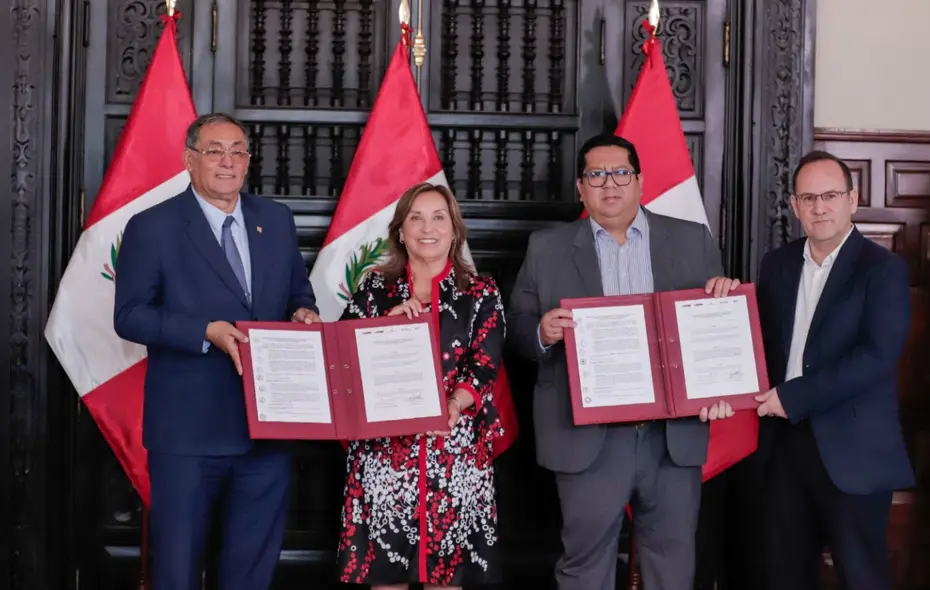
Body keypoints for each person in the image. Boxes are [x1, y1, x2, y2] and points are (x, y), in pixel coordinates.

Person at [507, 133, 739, 590]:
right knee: (584, 568)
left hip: (671, 437)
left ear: (639, 180)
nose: (609, 184)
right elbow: (515, 328)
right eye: (596, 175)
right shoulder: (546, 247)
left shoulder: (693, 240)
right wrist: (541, 332)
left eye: (620, 173)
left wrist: (725, 306)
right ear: (580, 187)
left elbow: (715, 329)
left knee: (672, 569)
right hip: (587, 437)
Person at [113, 113, 319, 590]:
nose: (228, 161)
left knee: (250, 572)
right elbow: (130, 316)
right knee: (177, 571)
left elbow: (297, 295)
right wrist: (206, 331)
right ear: (190, 160)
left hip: (267, 429)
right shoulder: (152, 226)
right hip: (188, 433)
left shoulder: (276, 219)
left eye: (238, 151)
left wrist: (303, 316)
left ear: (248, 161)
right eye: (214, 151)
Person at [753, 150, 914, 590]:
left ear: (852, 199)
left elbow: (877, 357)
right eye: (808, 197)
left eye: (829, 195)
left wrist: (794, 396)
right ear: (794, 206)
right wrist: (723, 301)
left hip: (852, 451)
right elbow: (760, 346)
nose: (819, 207)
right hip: (783, 449)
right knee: (784, 575)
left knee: (862, 576)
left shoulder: (883, 270)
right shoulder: (777, 265)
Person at [335, 182, 507, 589]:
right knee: (386, 573)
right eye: (416, 217)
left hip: (455, 451)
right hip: (384, 454)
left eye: (438, 217)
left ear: (454, 229)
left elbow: (485, 365)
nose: (427, 227)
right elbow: (342, 359)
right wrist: (384, 325)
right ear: (400, 230)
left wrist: (452, 405)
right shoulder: (374, 290)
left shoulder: (482, 292)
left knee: (447, 578)